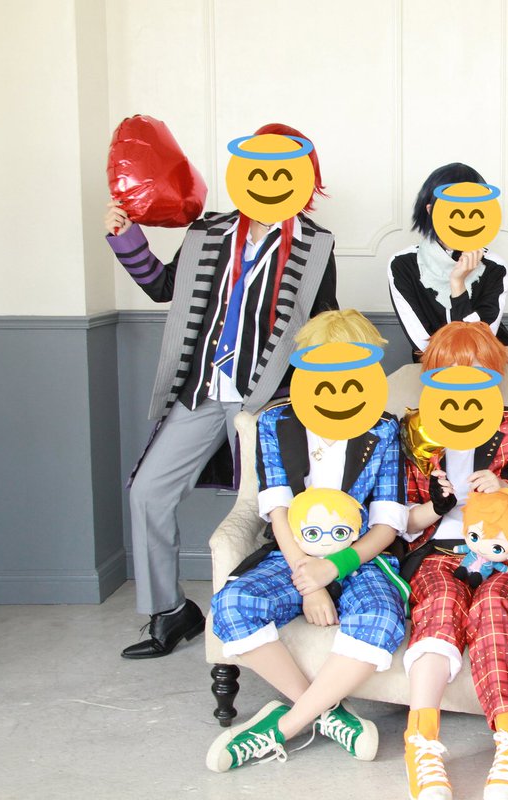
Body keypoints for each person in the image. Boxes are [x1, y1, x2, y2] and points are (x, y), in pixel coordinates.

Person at [103, 122, 337, 660]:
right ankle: (170, 611)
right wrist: (126, 238)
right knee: (147, 492)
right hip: (202, 392)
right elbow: (164, 287)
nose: (270, 181)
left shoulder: (315, 244)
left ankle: (282, 603)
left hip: (267, 398)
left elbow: (322, 324)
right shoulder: (208, 231)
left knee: (277, 507)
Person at [206, 310, 407, 772]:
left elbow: (387, 523)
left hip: (361, 556)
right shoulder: (276, 423)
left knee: (380, 616)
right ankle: (325, 713)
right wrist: (309, 581)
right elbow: (277, 511)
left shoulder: (384, 428)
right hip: (293, 553)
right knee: (232, 604)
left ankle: (286, 726)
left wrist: (334, 568)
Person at [397, 321, 508, 800]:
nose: (464, 380)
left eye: (477, 370)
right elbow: (403, 521)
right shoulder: (416, 431)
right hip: (438, 550)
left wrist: (507, 490)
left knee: (495, 609)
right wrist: (434, 506)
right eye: (451, 370)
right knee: (440, 605)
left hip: (502, 553)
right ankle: (421, 741)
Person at [388, 162, 508, 365]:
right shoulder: (402, 265)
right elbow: (423, 347)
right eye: (455, 211)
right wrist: (505, 353)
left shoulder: (495, 267)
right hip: (437, 371)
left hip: (491, 369)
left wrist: (458, 286)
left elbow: (482, 338)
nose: (466, 220)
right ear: (431, 211)